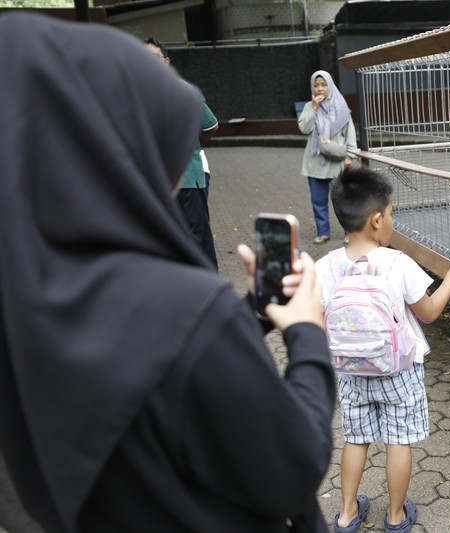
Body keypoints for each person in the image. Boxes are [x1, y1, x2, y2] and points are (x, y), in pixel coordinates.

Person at [0, 12, 336, 532]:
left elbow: (145, 373)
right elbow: (291, 469)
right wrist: (309, 336)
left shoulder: (27, 295)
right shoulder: (183, 311)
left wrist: (250, 313)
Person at [316, 167, 450, 533]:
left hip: (351, 371)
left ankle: (345, 515)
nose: (392, 220)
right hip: (398, 370)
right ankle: (395, 516)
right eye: (391, 214)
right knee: (398, 442)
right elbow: (431, 313)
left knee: (356, 439)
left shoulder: (325, 266)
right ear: (376, 220)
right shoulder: (398, 263)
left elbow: (316, 318)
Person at [145, 36, 220, 270]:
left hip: (187, 180)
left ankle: (208, 293)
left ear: (166, 61)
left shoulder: (184, 91)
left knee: (197, 239)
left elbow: (210, 126)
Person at [298, 70, 357, 245]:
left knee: (343, 200)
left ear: (330, 85)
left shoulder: (340, 106)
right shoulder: (310, 106)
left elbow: (350, 133)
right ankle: (323, 232)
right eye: (316, 85)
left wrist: (349, 156)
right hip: (314, 162)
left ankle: (349, 231)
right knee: (318, 201)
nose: (320, 88)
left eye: (323, 84)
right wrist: (314, 108)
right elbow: (304, 128)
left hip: (336, 162)